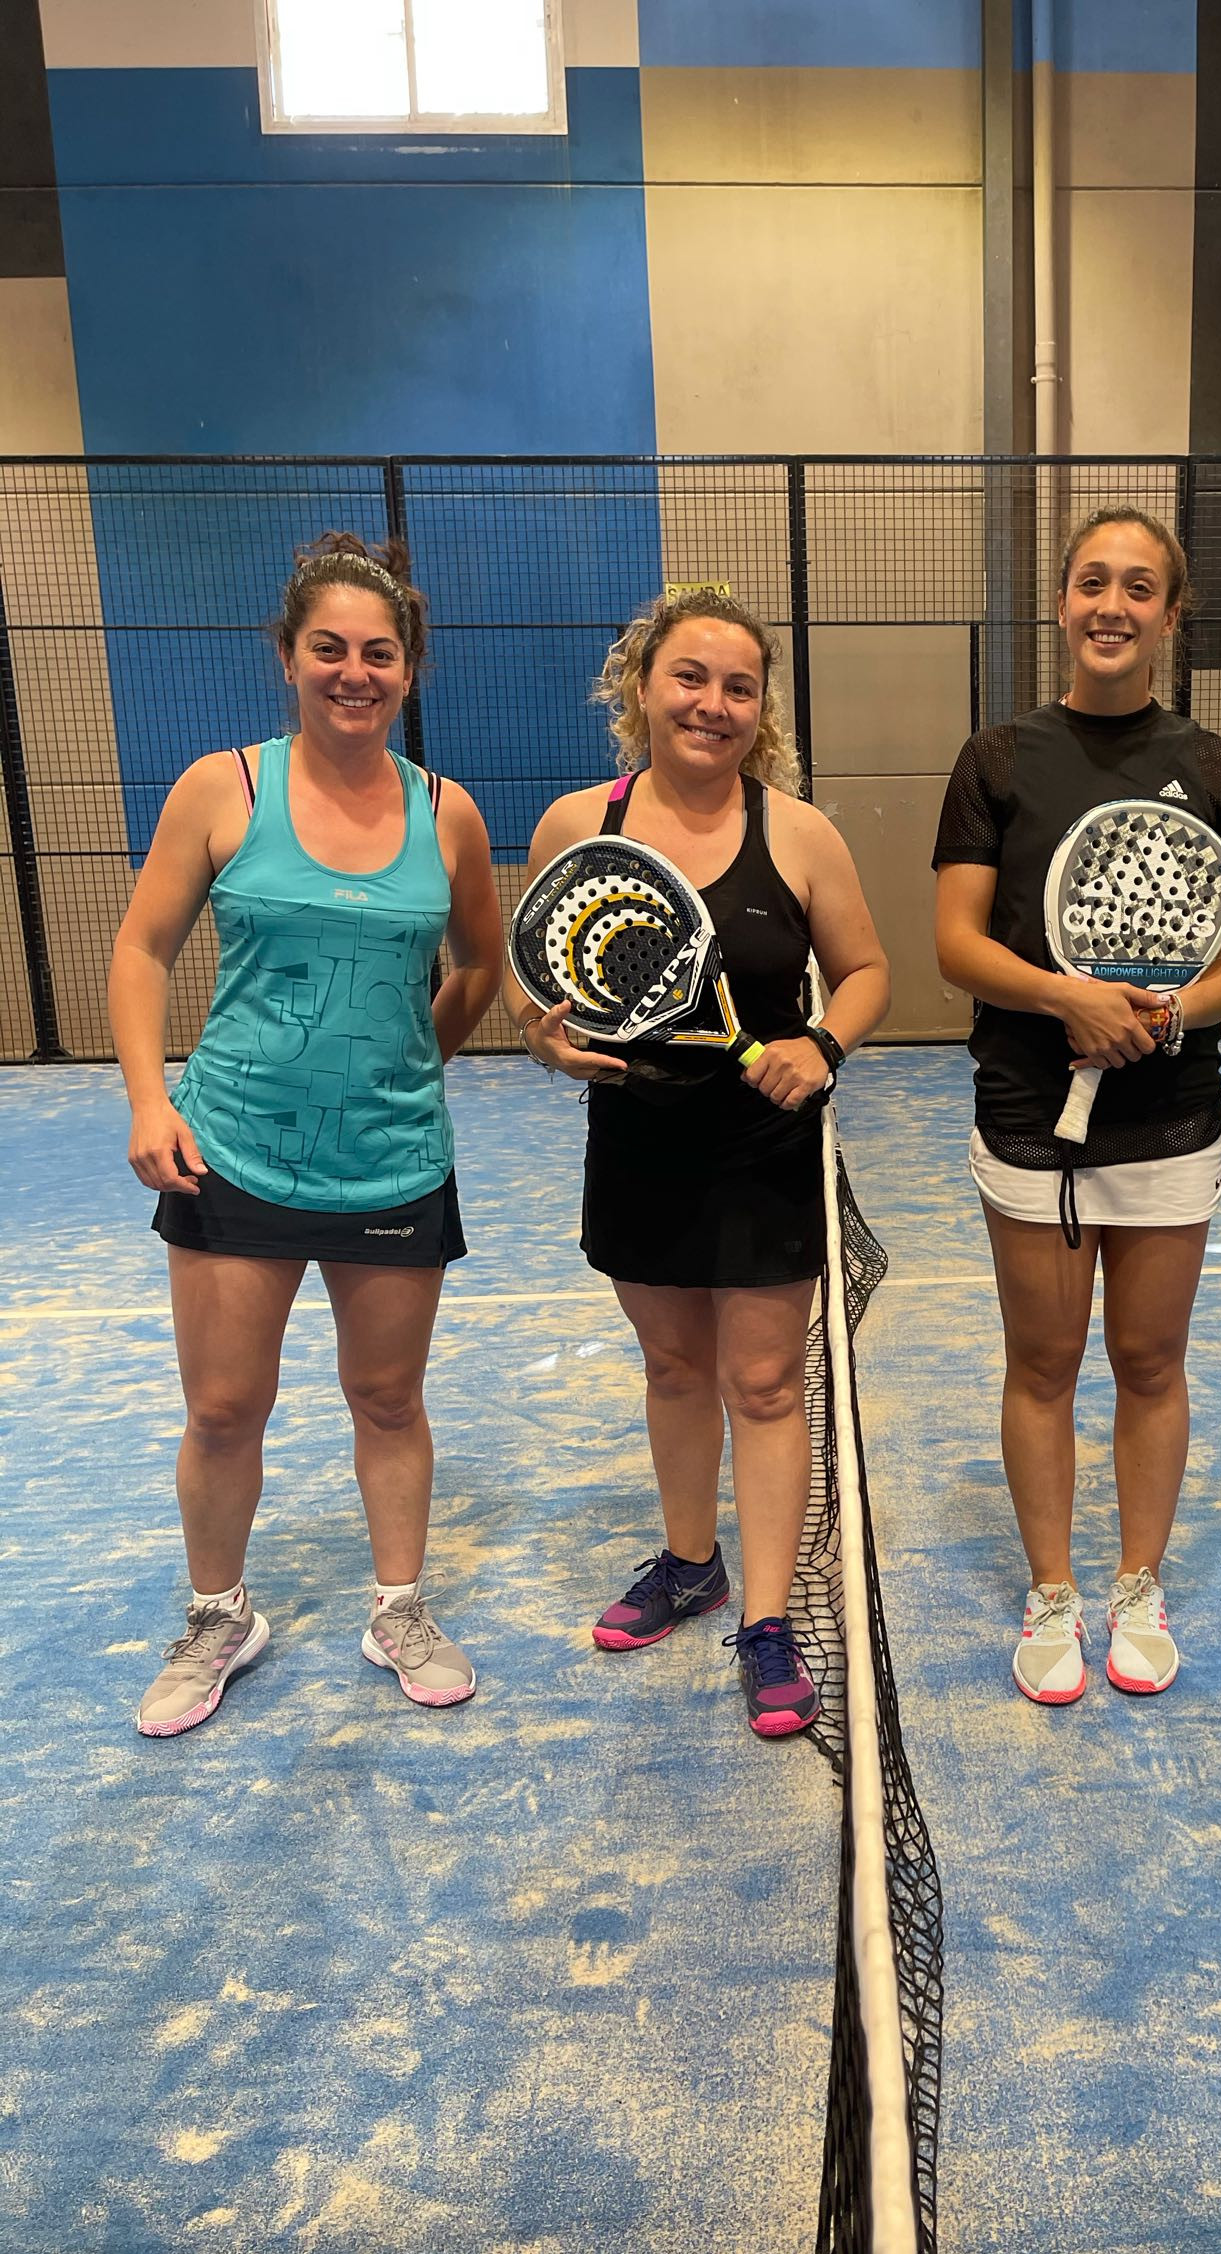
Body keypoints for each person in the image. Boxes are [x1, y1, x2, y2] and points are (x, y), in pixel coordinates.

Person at [109, 533, 503, 1736]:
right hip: (232, 1153)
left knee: (387, 1396)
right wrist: (149, 1101)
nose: (354, 672)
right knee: (225, 1407)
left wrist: (411, 1061)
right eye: (328, 648)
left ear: (409, 670)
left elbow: (481, 965)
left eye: (379, 654)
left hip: (391, 1160)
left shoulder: (447, 813)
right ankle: (218, 1617)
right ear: (286, 657)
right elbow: (141, 949)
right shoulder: (220, 789)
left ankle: (399, 1608)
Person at [504, 589, 889, 1740]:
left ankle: (767, 1622)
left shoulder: (800, 834)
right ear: (642, 687)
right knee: (673, 1368)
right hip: (637, 1143)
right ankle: (689, 1563)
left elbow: (868, 973)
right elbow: (537, 982)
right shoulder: (579, 826)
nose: (712, 704)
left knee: (764, 1385)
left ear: (761, 709)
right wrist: (544, 1040)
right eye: (689, 677)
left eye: (738, 686)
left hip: (766, 1147)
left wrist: (822, 1045)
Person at [933, 507, 1221, 1705]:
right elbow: (958, 944)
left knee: (1149, 1359)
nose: (1111, 605)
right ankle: (1051, 1592)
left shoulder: (1219, 769)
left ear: (1171, 614)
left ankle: (1137, 1585)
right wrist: (1066, 998)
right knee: (1043, 1361)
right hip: (1032, 1114)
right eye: (1091, 582)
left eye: (1138, 587)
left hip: (1171, 1118)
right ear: (1062, 602)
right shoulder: (997, 759)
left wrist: (1166, 1019)